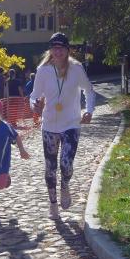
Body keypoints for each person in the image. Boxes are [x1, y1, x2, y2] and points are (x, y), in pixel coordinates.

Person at [29, 32, 95, 219]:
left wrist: (89, 110)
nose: (57, 52)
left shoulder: (76, 68)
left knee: (66, 164)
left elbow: (89, 90)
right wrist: (34, 106)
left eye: (61, 48)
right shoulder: (43, 70)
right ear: (50, 50)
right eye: (54, 48)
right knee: (50, 168)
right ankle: (53, 204)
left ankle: (65, 185)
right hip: (49, 125)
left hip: (71, 124)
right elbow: (34, 96)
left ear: (67, 50)